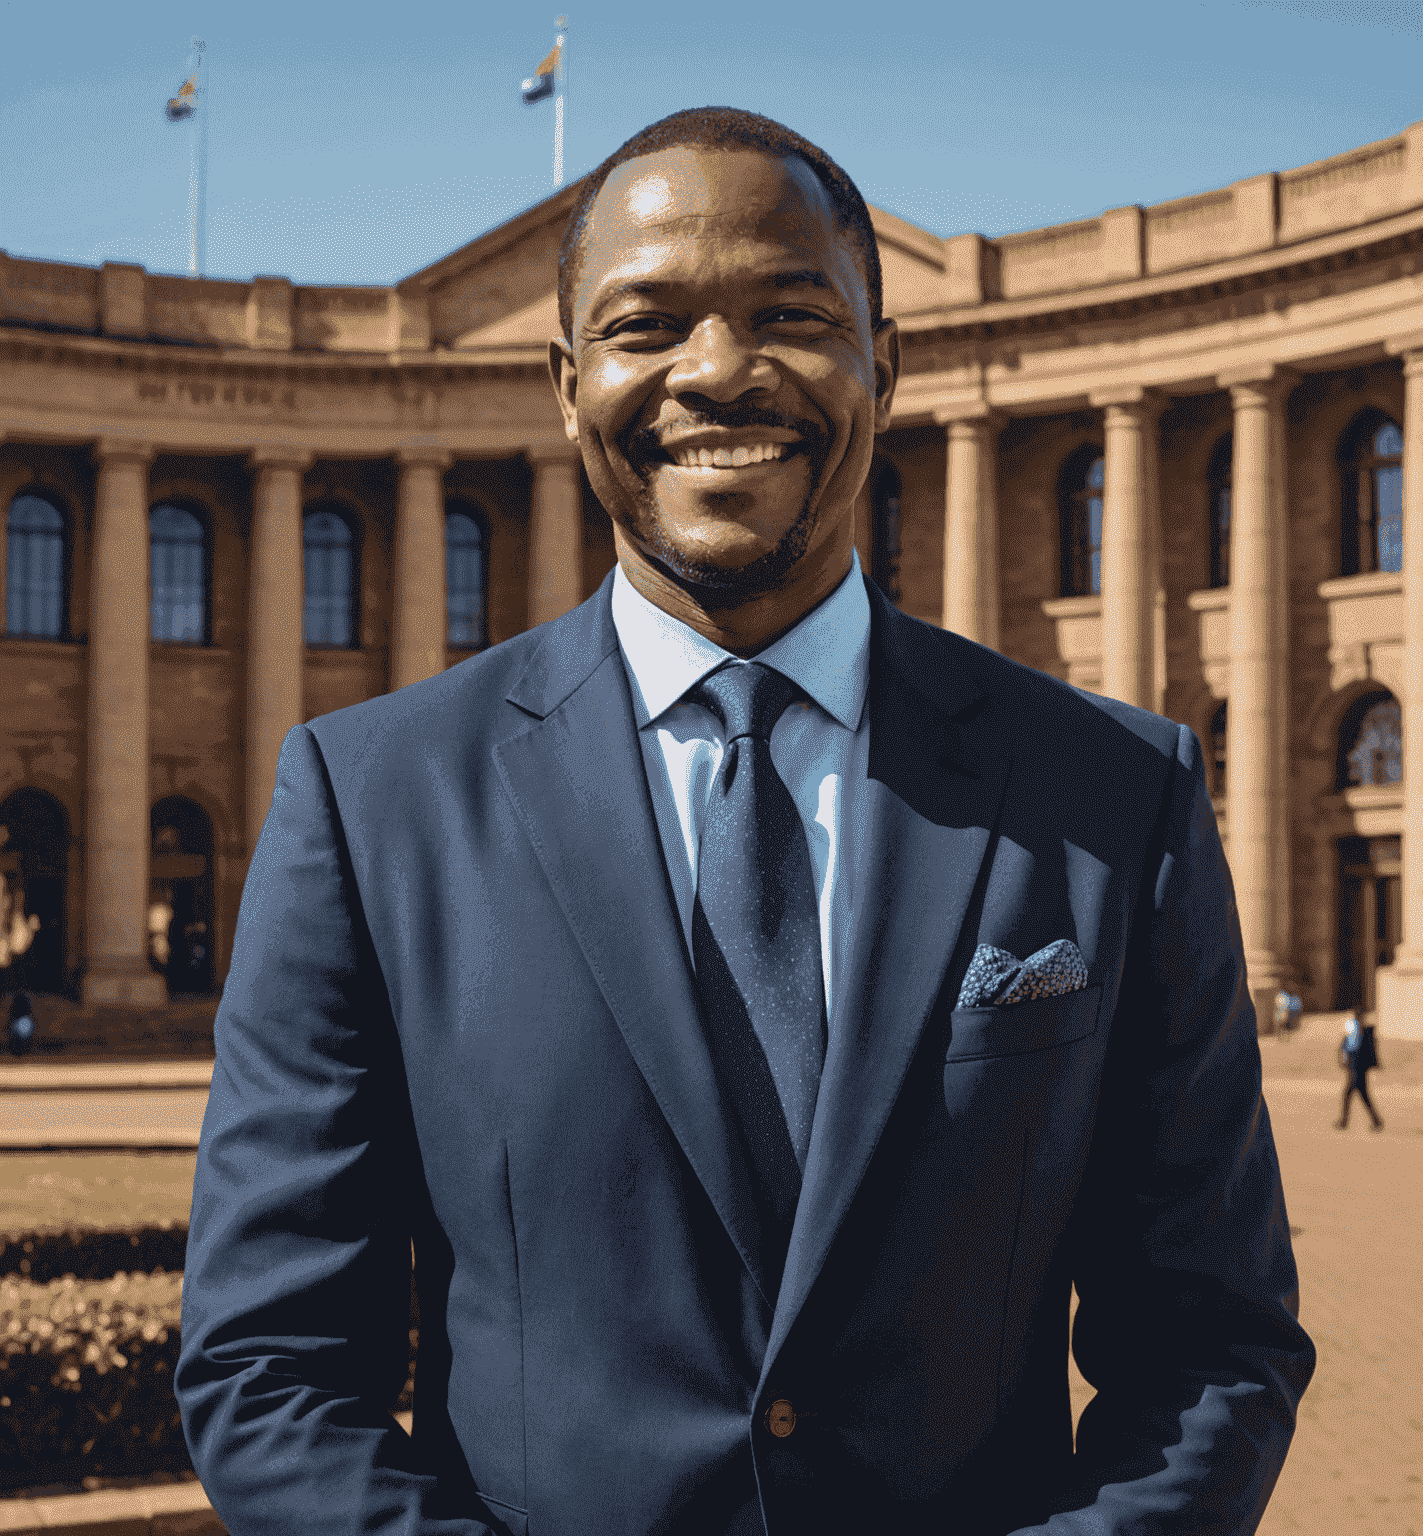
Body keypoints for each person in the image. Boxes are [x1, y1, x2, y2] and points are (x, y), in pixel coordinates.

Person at [175, 108, 1313, 1535]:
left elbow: (1212, 1347)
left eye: (791, 313)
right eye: (648, 325)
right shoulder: (374, 801)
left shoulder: (1111, 796)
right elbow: (269, 1368)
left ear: (884, 370)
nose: (718, 371)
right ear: (566, 383)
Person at [1335, 1012, 1383, 1130]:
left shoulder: (1359, 1030)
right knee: (1361, 1095)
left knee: (1349, 1094)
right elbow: (1346, 1046)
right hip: (1356, 1065)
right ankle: (1376, 1121)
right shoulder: (1361, 1030)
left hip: (1357, 1066)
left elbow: (1350, 1047)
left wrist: (1345, 1060)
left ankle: (1344, 1122)